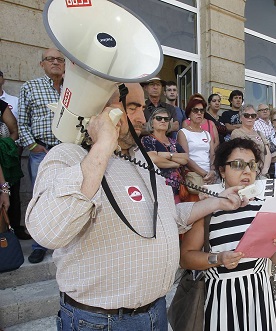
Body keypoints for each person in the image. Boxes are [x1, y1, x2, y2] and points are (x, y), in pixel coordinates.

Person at [25, 83, 249, 330]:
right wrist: (102, 145)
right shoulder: (68, 156)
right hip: (100, 321)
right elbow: (48, 231)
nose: (143, 118)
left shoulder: (140, 158)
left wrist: (218, 201)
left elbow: (169, 216)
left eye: (143, 107)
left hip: (155, 313)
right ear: (101, 111)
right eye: (132, 107)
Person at [180, 138, 276, 330]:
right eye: (238, 165)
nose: (247, 171)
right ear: (222, 170)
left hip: (259, 298)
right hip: (221, 300)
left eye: (251, 165)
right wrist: (218, 258)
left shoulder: (264, 207)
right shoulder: (208, 210)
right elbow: (185, 258)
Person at [18, 48, 65, 263]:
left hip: (67, 151)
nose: (55, 62)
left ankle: (64, 241)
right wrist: (33, 146)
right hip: (41, 152)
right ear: (42, 64)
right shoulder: (30, 87)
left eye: (59, 59)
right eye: (50, 59)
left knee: (68, 195)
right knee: (40, 198)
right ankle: (39, 245)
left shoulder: (71, 89)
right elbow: (22, 122)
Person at [141, 107, 188, 204]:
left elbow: (185, 158)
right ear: (152, 122)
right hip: (158, 189)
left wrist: (167, 155)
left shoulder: (173, 141)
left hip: (177, 190)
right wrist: (175, 164)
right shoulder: (147, 140)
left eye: (166, 119)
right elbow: (154, 159)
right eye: (159, 118)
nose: (163, 121)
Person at [177, 97, 216, 202]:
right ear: (189, 113)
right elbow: (186, 158)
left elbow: (212, 154)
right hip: (194, 177)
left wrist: (212, 171)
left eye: (202, 110)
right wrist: (204, 174)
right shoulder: (183, 132)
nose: (199, 113)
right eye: (195, 110)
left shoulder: (206, 134)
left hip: (209, 177)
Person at [0, 100, 29, 240]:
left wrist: (4, 146)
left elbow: (14, 131)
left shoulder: (1, 105)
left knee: (10, 200)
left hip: (5, 163)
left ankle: (12, 233)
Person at [231, 104, 272, 178]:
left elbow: (267, 152)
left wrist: (265, 170)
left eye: (253, 115)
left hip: (262, 173)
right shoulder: (237, 132)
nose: (250, 117)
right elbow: (243, 152)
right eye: (246, 115)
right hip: (246, 172)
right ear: (240, 118)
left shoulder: (260, 133)